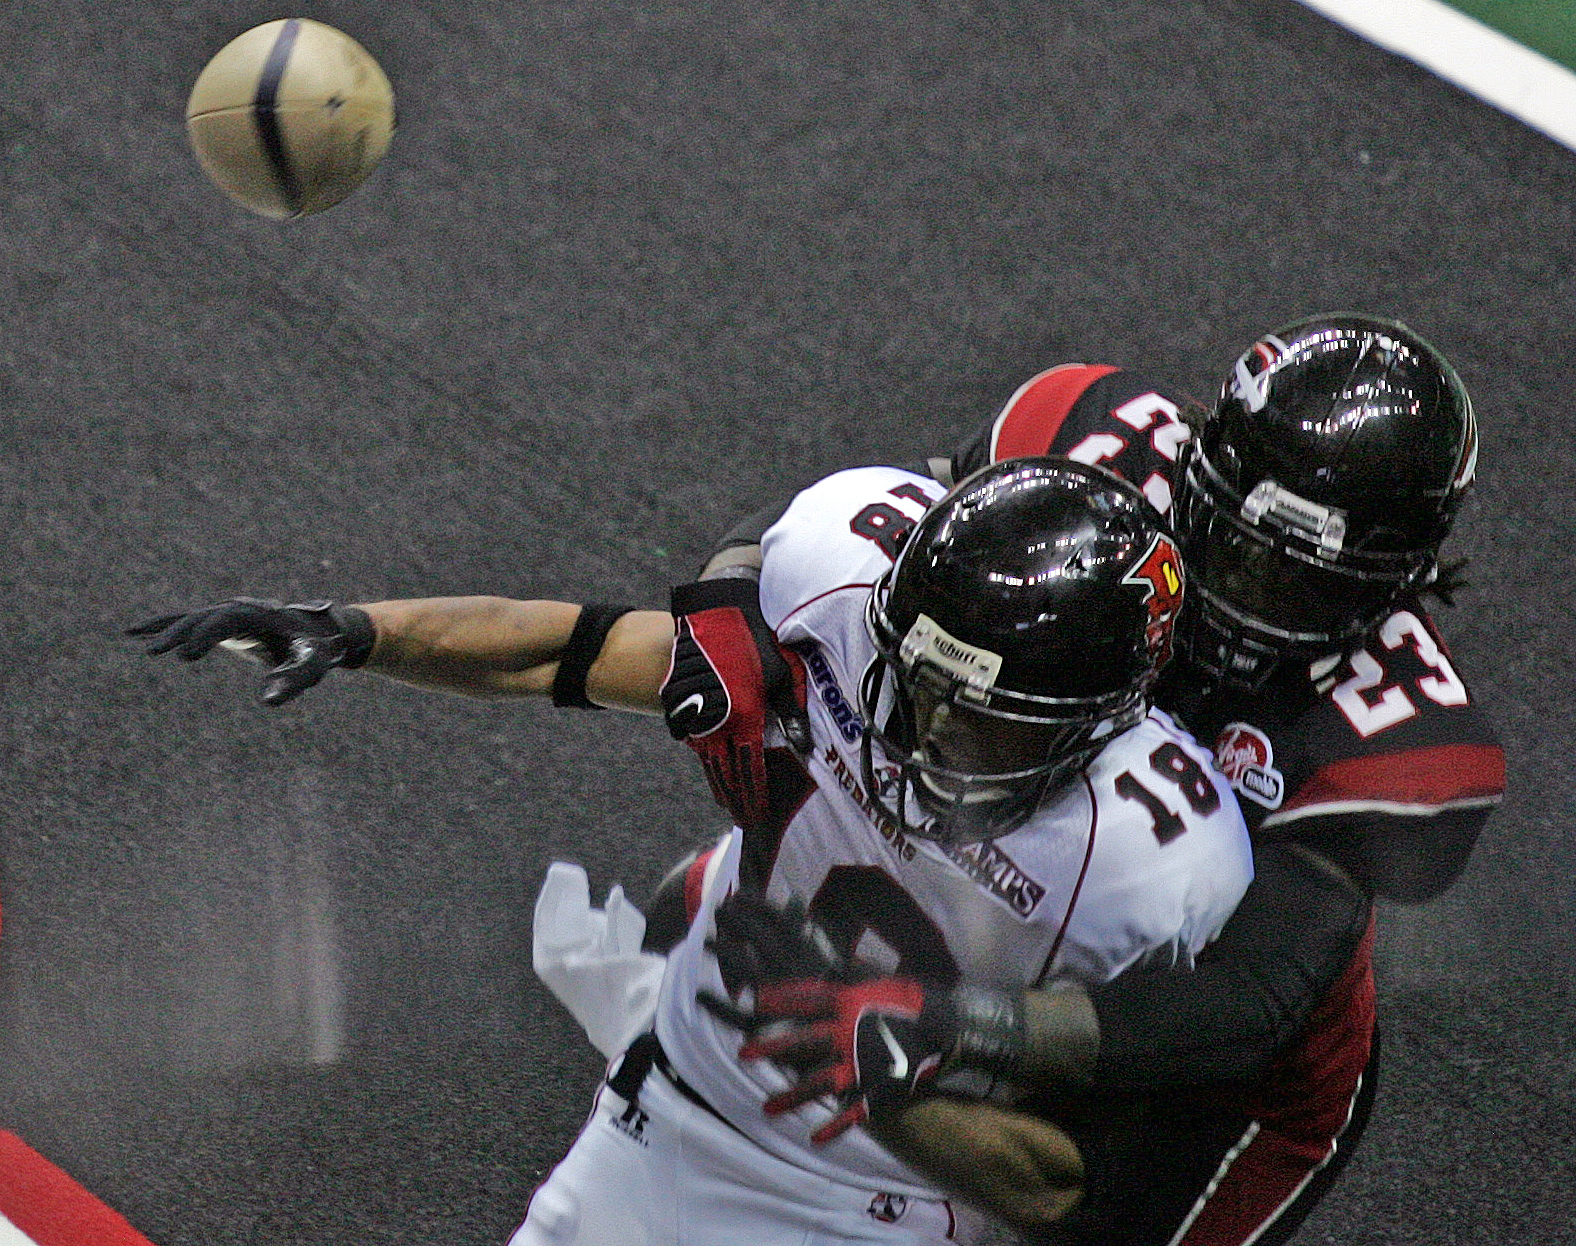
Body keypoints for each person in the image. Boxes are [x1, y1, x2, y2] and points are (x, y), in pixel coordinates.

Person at [128, 456, 1254, 1245]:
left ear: (1101, 717)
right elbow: (569, 651)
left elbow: (1075, 1191)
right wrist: (359, 629)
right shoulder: (843, 604)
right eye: (920, 686)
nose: (935, 733)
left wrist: (878, 1074)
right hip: (661, 1111)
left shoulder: (1154, 864)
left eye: (987, 717)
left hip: (874, 1208)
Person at [647, 314, 1503, 1245]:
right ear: (1197, 471)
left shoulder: (1395, 747)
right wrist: (729, 599)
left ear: (1401, 580)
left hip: (1196, 1024)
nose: (1232, 590)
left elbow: (1243, 1002)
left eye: (1290, 580)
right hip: (1034, 869)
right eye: (1225, 537)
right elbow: (880, 520)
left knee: (1090, 1222)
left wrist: (956, 1023)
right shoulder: (1094, 445)